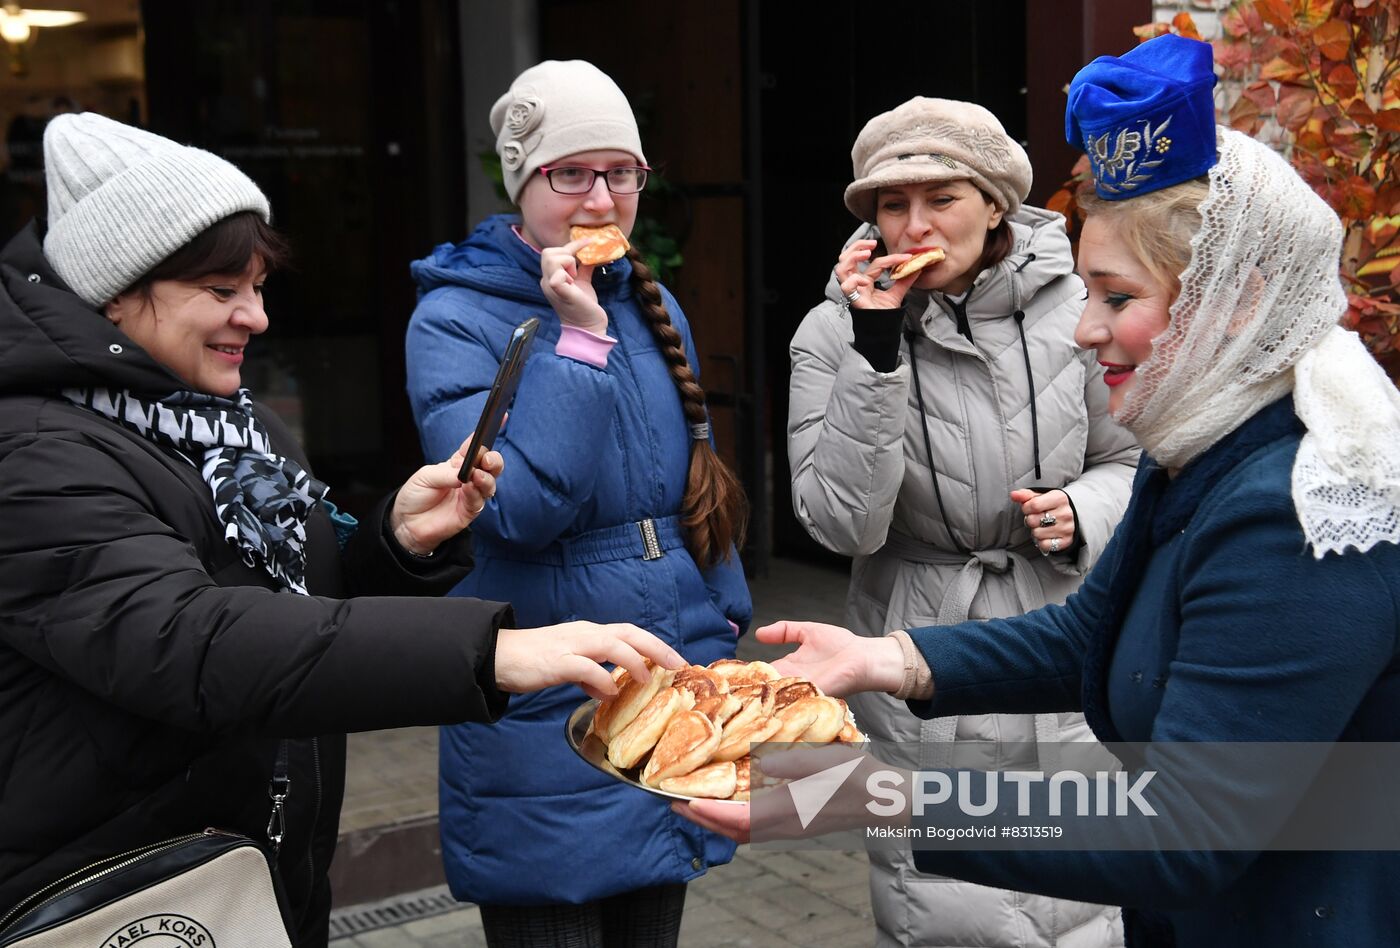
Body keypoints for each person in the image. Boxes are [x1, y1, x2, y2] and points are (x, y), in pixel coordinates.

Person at [680, 34, 1400, 948]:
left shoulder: (1293, 513)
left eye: (1115, 297)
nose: (1085, 331)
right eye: (1087, 294)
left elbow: (1180, 831)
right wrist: (885, 659)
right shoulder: (1205, 447)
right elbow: (1090, 629)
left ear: (1237, 298)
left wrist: (869, 794)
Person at [0, 112, 685, 947]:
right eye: (221, 292)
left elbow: (304, 593)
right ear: (114, 288)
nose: (253, 317)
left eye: (257, 287)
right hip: (117, 889)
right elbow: (192, 638)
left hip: (255, 868)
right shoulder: (33, 449)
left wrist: (397, 541)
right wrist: (486, 652)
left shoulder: (224, 417)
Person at [405, 60, 752, 947]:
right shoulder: (453, 319)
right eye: (570, 174)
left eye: (621, 172)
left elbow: (685, 496)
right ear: (522, 184)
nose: (600, 198)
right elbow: (519, 511)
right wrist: (581, 339)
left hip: (664, 683)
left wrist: (720, 624)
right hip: (546, 705)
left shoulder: (653, 298)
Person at [786, 95, 1138, 946]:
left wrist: (1083, 510)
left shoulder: (1080, 308)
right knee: (947, 891)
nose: (914, 226)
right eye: (891, 204)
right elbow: (840, 527)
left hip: (1067, 615)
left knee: (1088, 871)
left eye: (941, 198)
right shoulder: (831, 333)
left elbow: (1138, 462)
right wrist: (876, 350)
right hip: (918, 628)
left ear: (993, 203)